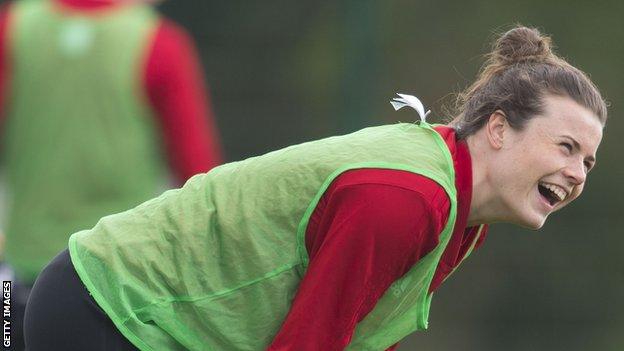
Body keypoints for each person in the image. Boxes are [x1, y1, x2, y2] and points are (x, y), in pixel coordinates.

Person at [24, 26, 606, 351]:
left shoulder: (458, 212)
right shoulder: (407, 199)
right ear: (499, 128)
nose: (579, 172)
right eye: (565, 147)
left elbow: (360, 333)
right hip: (106, 313)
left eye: (589, 160)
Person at [0, 0, 223, 349]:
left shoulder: (13, 29)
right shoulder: (160, 41)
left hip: (22, 274)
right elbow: (200, 176)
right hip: (119, 284)